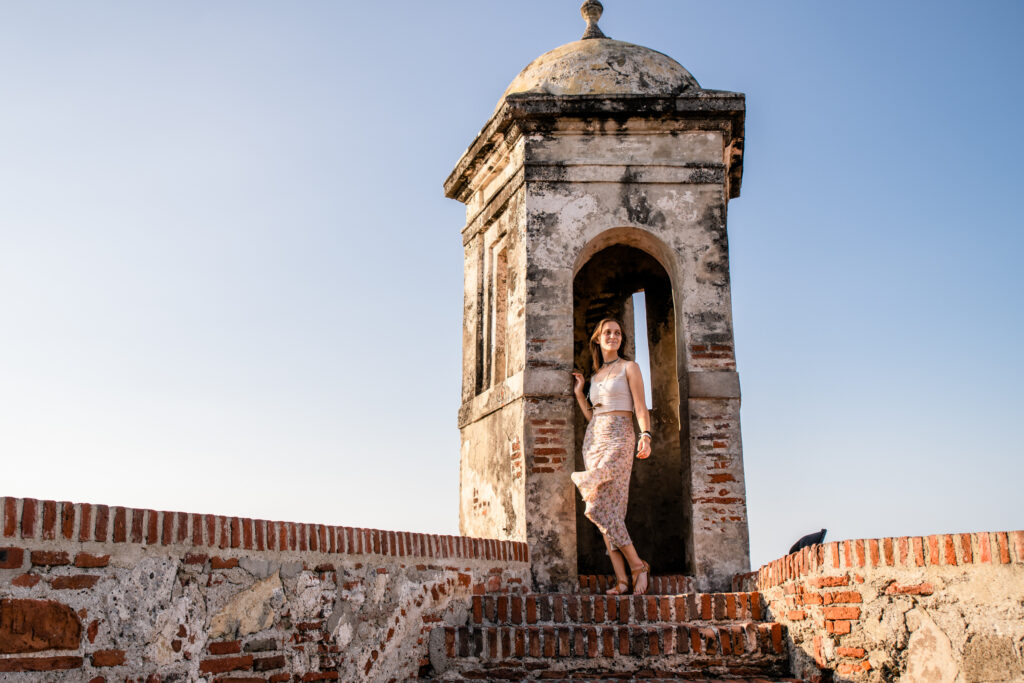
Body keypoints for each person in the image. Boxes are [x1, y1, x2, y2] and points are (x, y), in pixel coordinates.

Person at [570, 317, 652, 595]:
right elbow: (593, 415)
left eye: (617, 333)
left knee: (598, 507)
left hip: (620, 437)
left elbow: (640, 406)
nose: (613, 336)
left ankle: (638, 566)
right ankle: (623, 579)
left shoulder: (630, 367)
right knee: (607, 511)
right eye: (608, 332)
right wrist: (580, 394)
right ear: (598, 338)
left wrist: (646, 434)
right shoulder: (595, 377)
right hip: (594, 439)